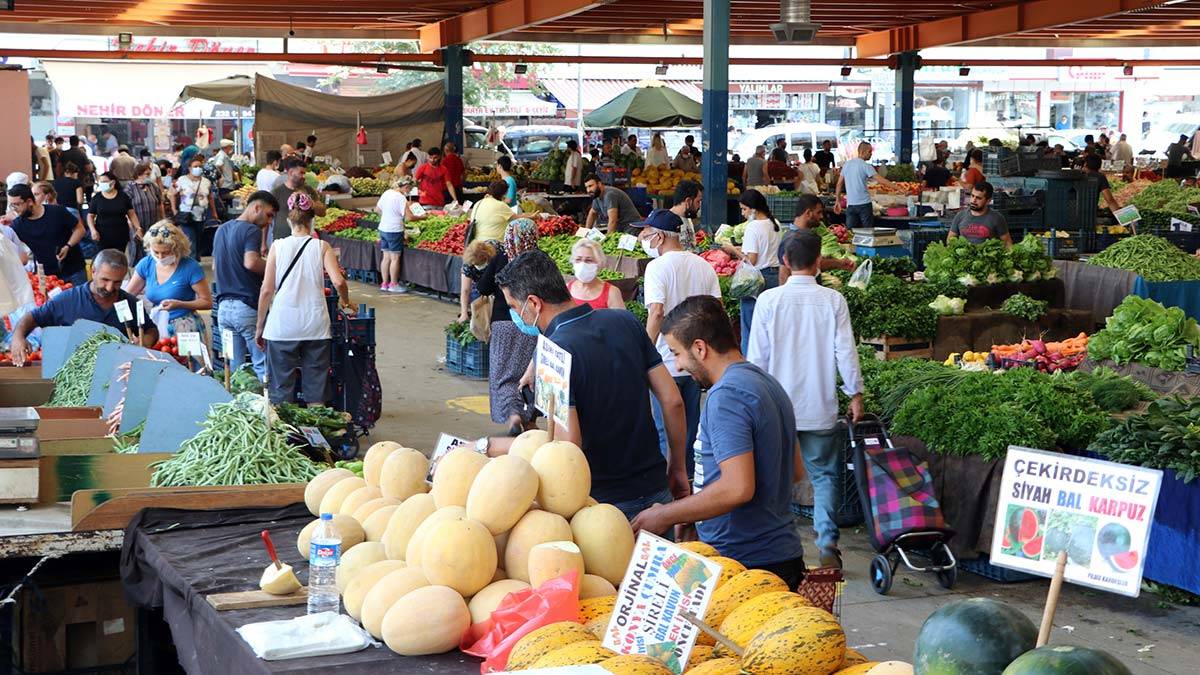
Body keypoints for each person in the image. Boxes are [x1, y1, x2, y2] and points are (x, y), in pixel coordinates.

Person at [483, 250, 690, 521]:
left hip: (600, 509)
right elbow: (673, 401)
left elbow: (567, 446)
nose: (514, 314)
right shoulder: (625, 321)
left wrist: (489, 446)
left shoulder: (553, 356)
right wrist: (677, 467)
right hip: (657, 491)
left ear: (533, 303)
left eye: (513, 306)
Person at [630, 296, 806, 586]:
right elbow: (795, 471)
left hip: (745, 563)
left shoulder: (727, 396)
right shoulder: (767, 383)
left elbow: (737, 488)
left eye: (676, 353)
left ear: (700, 348)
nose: (678, 365)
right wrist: (696, 513)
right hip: (778, 555)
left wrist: (665, 515)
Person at [747, 229, 864, 569]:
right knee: (825, 475)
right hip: (819, 407)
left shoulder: (768, 300)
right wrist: (855, 393)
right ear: (818, 262)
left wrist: (753, 405)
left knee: (775, 477)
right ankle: (827, 543)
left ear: (784, 260)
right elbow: (846, 352)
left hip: (776, 408)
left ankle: (780, 544)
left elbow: (757, 360)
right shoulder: (833, 301)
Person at [636, 203, 721, 478]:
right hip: (698, 364)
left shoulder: (656, 267)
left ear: (659, 236)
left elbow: (656, 313)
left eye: (647, 233)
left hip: (665, 364)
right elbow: (717, 311)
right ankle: (689, 485)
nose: (645, 239)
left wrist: (643, 353)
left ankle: (671, 491)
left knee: (667, 433)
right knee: (690, 431)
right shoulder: (704, 265)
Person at [255, 192, 352, 405]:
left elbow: (266, 290)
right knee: (316, 388)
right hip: (315, 325)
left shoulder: (277, 247)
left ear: (289, 220)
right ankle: (316, 423)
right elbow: (338, 282)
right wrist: (345, 301)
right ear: (311, 220)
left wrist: (260, 326)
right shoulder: (322, 247)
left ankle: (283, 425)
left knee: (281, 391)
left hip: (282, 326)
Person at [465, 220, 541, 435]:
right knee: (530, 374)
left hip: (503, 324)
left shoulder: (502, 256)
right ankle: (530, 420)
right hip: (533, 326)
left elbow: (483, 287)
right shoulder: (540, 259)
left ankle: (513, 415)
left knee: (504, 376)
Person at [7, 249, 140, 365]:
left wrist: (143, 341)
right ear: (93, 271)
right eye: (105, 280)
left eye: (117, 282)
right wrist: (18, 337)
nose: (110, 288)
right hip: (77, 372)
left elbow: (148, 329)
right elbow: (33, 317)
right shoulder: (68, 300)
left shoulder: (129, 302)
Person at [213, 190, 279, 379]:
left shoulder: (221, 230)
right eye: (269, 215)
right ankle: (266, 398)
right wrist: (275, 267)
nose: (269, 222)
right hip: (246, 307)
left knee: (235, 372)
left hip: (223, 309)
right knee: (262, 365)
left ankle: (236, 399)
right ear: (257, 207)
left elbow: (216, 267)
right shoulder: (251, 230)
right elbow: (251, 262)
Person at [125, 221, 211, 340]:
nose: (160, 257)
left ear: (177, 248)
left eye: (166, 253)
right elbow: (126, 296)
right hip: (157, 324)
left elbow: (207, 302)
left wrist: (181, 304)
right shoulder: (146, 264)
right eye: (156, 252)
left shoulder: (191, 267)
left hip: (185, 327)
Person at [722, 188, 782, 351]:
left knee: (749, 326)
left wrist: (733, 250)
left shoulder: (753, 227)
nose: (743, 214)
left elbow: (752, 260)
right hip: (775, 277)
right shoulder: (775, 223)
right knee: (769, 326)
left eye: (744, 209)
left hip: (758, 280)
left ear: (753, 209)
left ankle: (749, 361)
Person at [457, 181, 516, 320]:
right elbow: (465, 289)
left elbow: (505, 286)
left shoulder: (499, 253)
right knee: (477, 295)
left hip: (497, 291)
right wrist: (464, 312)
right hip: (482, 284)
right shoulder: (469, 262)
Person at [7, 183, 86, 286]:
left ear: (29, 201)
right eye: (11, 205)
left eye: (17, 204)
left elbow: (80, 229)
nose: (14, 208)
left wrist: (68, 246)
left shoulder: (56, 211)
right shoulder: (17, 225)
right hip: (48, 277)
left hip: (74, 270)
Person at [376, 175, 425, 294]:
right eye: (409, 189)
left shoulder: (387, 193)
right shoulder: (400, 197)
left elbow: (378, 210)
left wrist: (388, 216)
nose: (409, 192)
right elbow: (409, 217)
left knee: (386, 257)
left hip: (383, 228)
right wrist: (423, 217)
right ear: (406, 186)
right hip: (394, 230)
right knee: (395, 258)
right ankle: (393, 284)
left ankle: (384, 284)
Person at [835, 142, 898, 230]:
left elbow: (839, 184)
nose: (871, 154)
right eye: (869, 151)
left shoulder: (846, 165)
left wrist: (837, 201)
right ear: (862, 152)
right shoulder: (866, 166)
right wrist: (898, 188)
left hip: (851, 205)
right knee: (868, 232)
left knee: (850, 232)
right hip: (864, 205)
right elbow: (881, 180)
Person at [271, 157, 325, 243]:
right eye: (301, 173)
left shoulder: (309, 190)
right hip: (282, 240)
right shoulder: (276, 192)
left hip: (304, 241)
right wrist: (263, 243)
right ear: (291, 172)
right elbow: (267, 218)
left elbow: (322, 212)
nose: (304, 176)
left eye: (304, 173)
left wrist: (310, 203)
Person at [172, 156, 217, 259]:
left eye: (200, 166)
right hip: (186, 215)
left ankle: (196, 258)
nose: (198, 168)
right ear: (189, 168)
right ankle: (192, 261)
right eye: (195, 166)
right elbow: (172, 194)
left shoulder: (206, 181)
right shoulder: (182, 180)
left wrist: (214, 212)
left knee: (199, 239)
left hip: (202, 215)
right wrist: (174, 209)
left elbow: (210, 198)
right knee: (190, 239)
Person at [947, 180, 1012, 247]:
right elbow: (950, 240)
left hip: (987, 253)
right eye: (972, 196)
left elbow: (1007, 243)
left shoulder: (997, 218)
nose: (973, 200)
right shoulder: (960, 216)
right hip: (964, 253)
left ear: (988, 201)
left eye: (978, 198)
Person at [87, 172, 140, 255]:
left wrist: (138, 228)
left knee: (119, 257)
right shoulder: (96, 198)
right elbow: (90, 216)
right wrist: (93, 230)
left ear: (113, 182)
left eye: (104, 181)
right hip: (101, 236)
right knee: (104, 258)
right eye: (101, 182)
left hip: (121, 235)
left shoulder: (123, 196)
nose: (102, 184)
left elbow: (132, 214)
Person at [567, 238, 623, 309]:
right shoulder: (566, 289)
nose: (582, 264)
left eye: (588, 260)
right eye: (578, 259)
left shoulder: (612, 293)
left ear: (599, 263)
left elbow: (620, 316)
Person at [125, 163, 164, 264]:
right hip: (138, 224)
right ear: (139, 174)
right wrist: (131, 223)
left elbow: (160, 203)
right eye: (147, 174)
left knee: (153, 246)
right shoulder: (130, 188)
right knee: (138, 248)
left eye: (150, 174)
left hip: (153, 223)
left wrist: (163, 219)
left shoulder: (153, 186)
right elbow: (126, 207)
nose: (149, 176)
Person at [1085, 154, 1124, 222]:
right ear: (1100, 166)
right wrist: (1122, 218)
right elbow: (1110, 200)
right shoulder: (1100, 177)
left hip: (1071, 215)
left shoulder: (1077, 176)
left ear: (1085, 164)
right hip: (1090, 216)